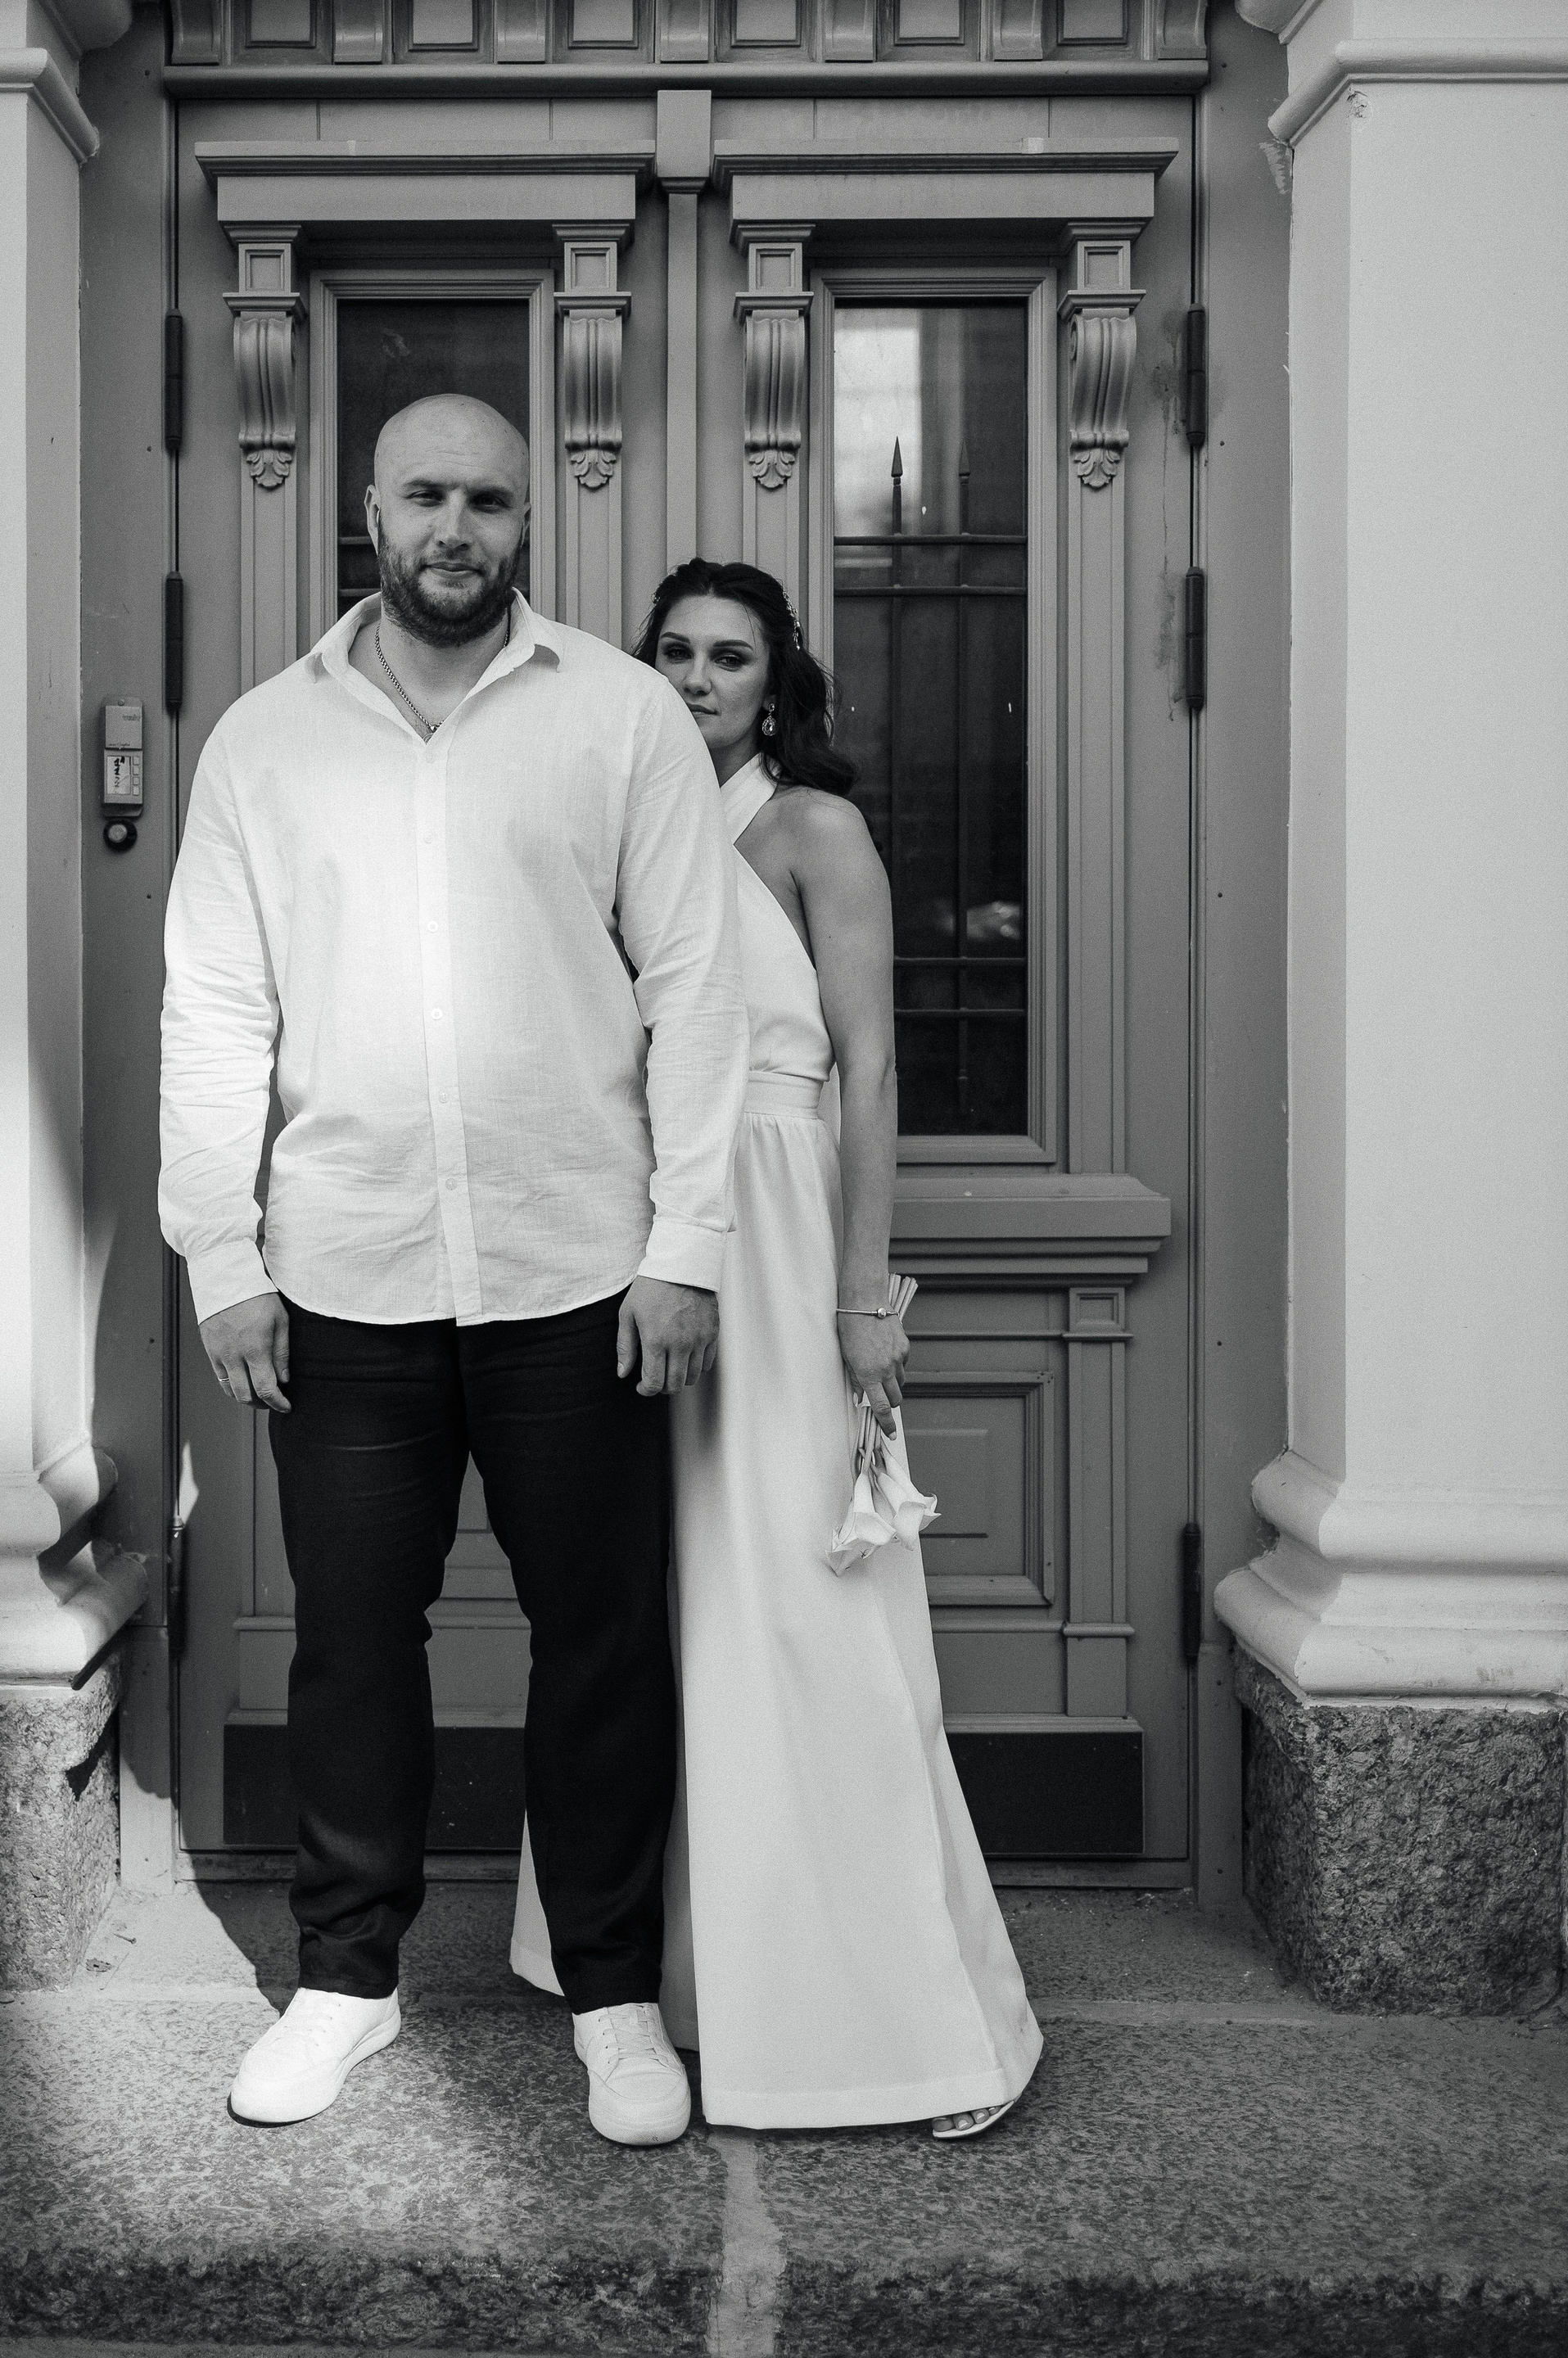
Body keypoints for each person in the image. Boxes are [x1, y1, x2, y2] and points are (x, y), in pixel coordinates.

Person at [160, 398, 748, 2143]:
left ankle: (616, 1999)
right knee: (352, 1644)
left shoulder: (621, 716)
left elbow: (696, 986)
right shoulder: (264, 742)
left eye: (489, 499)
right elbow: (216, 1008)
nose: (457, 527)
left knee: (602, 1643)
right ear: (369, 509)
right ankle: (348, 1984)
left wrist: (688, 1245)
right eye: (427, 494)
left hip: (584, 1273)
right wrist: (221, 1253)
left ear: (527, 520)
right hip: (343, 1275)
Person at [512, 559, 1043, 2137]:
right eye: (672, 652)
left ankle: (915, 2029)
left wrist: (864, 1295)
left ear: (775, 683)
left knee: (812, 1611)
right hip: (640, 1240)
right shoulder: (617, 828)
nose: (695, 680)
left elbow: (869, 1071)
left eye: (728, 657)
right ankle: (666, 1984)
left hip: (786, 1227)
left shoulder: (815, 831)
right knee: (648, 1608)